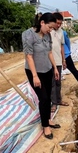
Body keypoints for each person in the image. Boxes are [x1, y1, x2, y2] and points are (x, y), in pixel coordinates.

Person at [22, 12, 60, 140]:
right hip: (34, 72)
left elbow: (49, 52)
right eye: (49, 27)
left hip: (47, 69)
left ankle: (47, 119)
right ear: (42, 22)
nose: (50, 30)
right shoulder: (28, 35)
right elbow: (29, 56)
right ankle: (45, 126)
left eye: (52, 28)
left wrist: (55, 67)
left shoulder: (47, 35)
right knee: (43, 98)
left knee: (48, 96)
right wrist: (34, 76)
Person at [50, 12, 68, 112]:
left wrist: (63, 60)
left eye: (60, 23)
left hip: (58, 61)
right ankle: (54, 103)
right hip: (50, 62)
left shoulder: (61, 32)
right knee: (52, 83)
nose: (58, 25)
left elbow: (62, 46)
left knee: (58, 82)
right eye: (57, 23)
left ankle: (59, 100)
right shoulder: (48, 31)